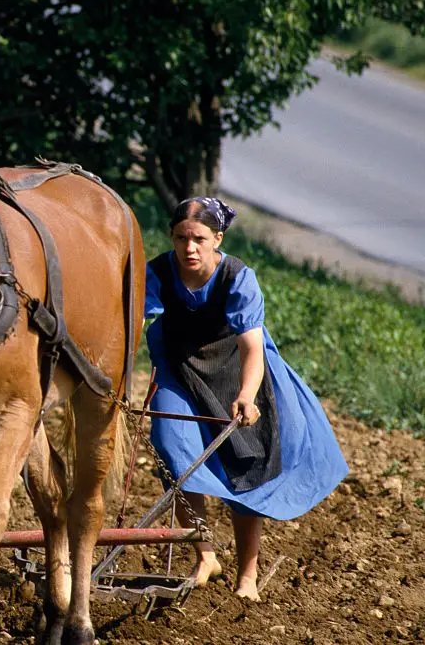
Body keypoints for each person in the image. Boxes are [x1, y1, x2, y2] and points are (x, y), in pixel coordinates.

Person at [144, 197, 349, 602]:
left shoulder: (237, 277)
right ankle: (205, 555)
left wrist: (245, 396)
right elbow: (133, 317)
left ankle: (247, 577)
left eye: (199, 239)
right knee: (171, 450)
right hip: (179, 372)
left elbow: (252, 348)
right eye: (181, 238)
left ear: (216, 238)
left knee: (246, 468)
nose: (189, 248)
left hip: (235, 373)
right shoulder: (159, 272)